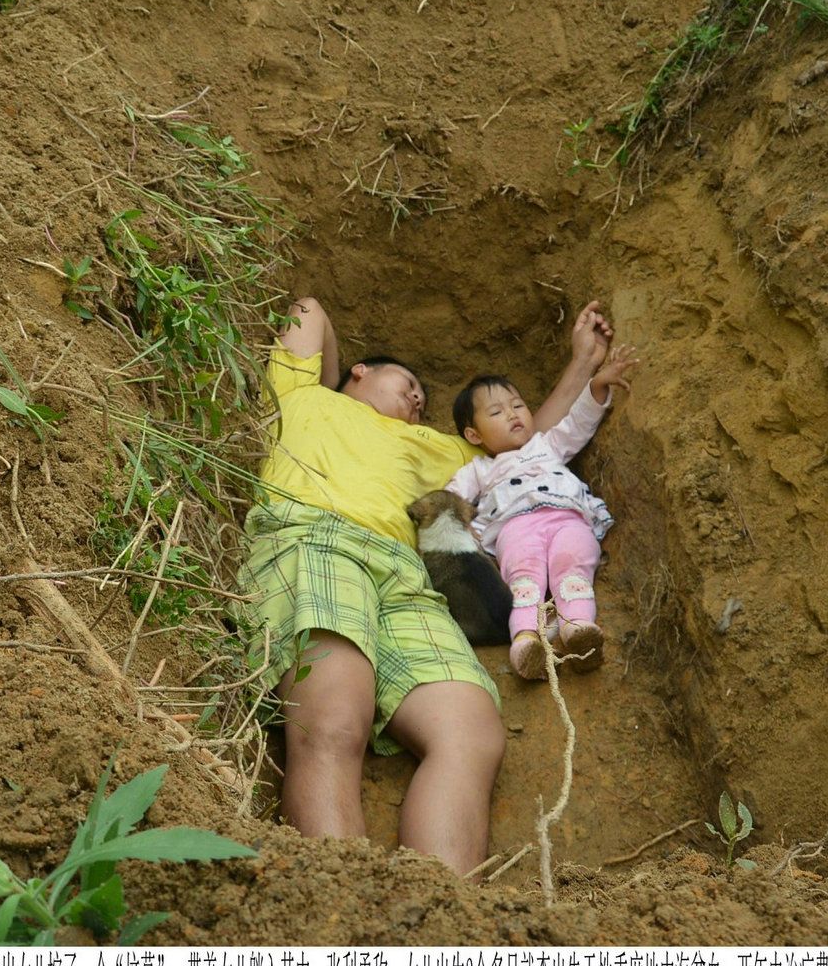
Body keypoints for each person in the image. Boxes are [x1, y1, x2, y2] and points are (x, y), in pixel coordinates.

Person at [240, 295, 613, 874]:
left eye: (423, 397)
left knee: (471, 733)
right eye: (407, 383)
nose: (418, 398)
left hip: (406, 573)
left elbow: (525, 443)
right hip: (315, 535)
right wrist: (335, 380)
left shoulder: (439, 448)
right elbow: (309, 310)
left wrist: (583, 361)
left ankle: (441, 917)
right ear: (358, 372)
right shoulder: (301, 395)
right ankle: (333, 913)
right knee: (333, 720)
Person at [445, 344, 640, 682]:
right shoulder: (478, 470)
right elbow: (451, 499)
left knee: (573, 566)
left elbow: (579, 423)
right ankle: (526, 642)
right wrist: (460, 525)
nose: (512, 414)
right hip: (515, 528)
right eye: (496, 412)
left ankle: (577, 628)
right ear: (473, 435)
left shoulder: (547, 445)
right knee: (524, 580)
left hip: (568, 518)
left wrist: (597, 385)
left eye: (518, 405)